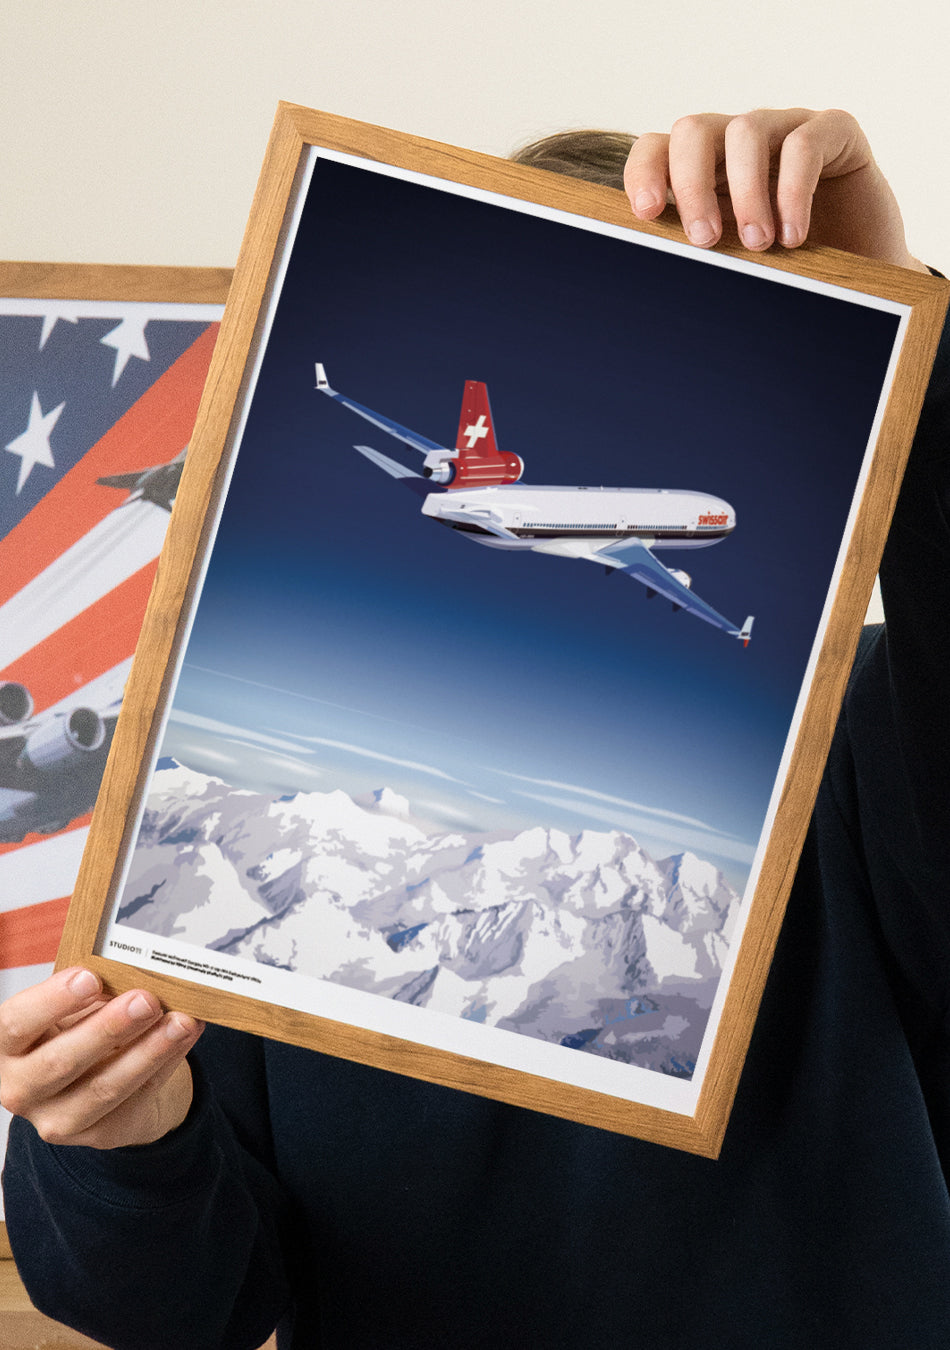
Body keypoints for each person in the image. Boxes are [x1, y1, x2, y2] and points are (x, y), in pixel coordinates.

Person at [2, 108, 948, 1349]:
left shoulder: (884, 727)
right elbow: (190, 1309)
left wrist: (904, 345)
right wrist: (120, 1147)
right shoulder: (191, 774)